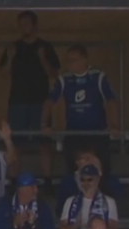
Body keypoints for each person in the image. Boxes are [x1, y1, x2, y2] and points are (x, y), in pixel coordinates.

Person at [0, 11, 60, 177]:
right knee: (16, 142)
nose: (23, 27)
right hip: (18, 101)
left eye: (27, 23)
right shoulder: (13, 47)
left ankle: (47, 179)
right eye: (21, 24)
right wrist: (10, 57)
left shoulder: (45, 47)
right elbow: (3, 73)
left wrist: (42, 59)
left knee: (44, 142)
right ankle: (13, 180)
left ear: (35, 25)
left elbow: (54, 73)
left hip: (40, 101)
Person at [44, 45, 119, 174]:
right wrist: (46, 124)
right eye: (68, 60)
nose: (70, 64)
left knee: (103, 171)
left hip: (97, 133)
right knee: (73, 172)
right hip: (74, 133)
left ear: (84, 60)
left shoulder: (98, 77)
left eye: (74, 60)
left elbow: (111, 101)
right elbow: (49, 102)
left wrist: (115, 125)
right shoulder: (64, 79)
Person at [60, 165, 120, 229]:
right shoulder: (70, 201)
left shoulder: (109, 202)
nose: (86, 184)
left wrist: (97, 228)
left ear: (98, 180)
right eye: (83, 180)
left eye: (90, 180)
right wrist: (75, 226)